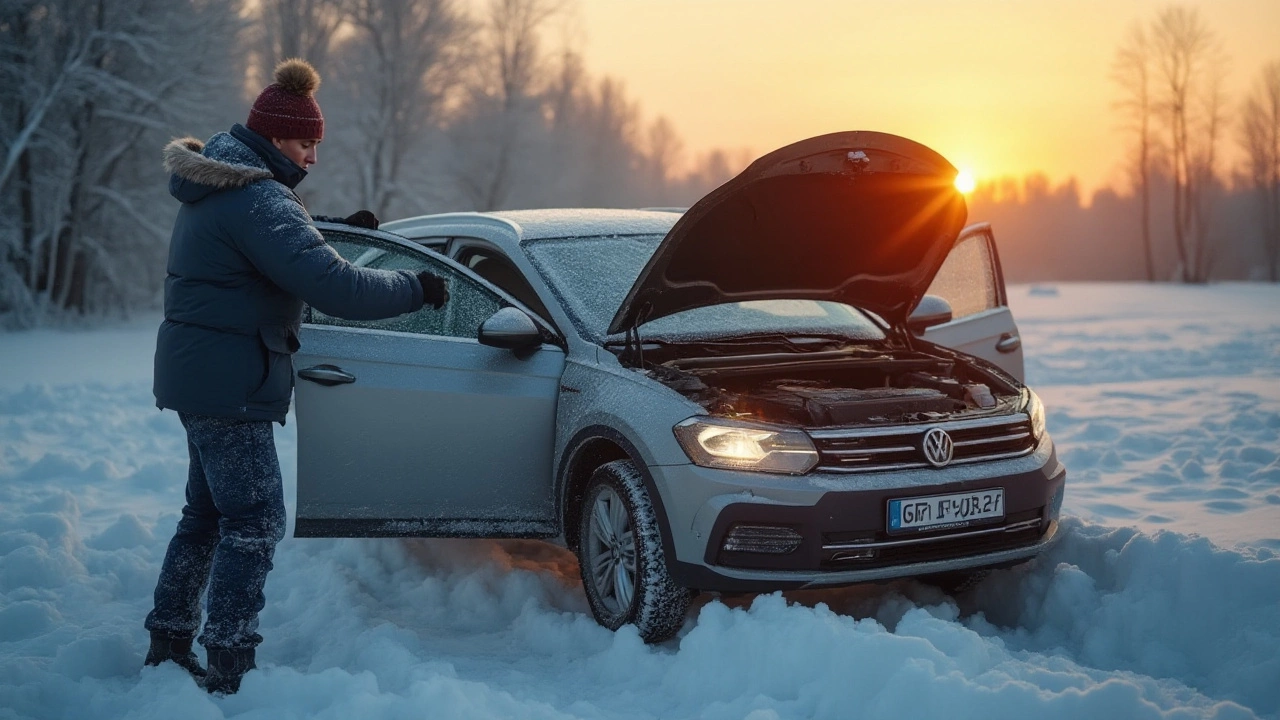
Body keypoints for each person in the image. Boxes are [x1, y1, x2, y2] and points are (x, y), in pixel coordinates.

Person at [142, 58, 448, 695]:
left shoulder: (228, 184)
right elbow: (330, 283)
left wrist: (327, 227)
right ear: (275, 137)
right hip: (231, 384)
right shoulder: (258, 197)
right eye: (306, 143)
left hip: (202, 376)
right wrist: (413, 288)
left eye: (316, 144)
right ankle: (229, 660)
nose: (312, 156)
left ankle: (169, 640)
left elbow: (272, 242)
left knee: (205, 516)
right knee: (254, 520)